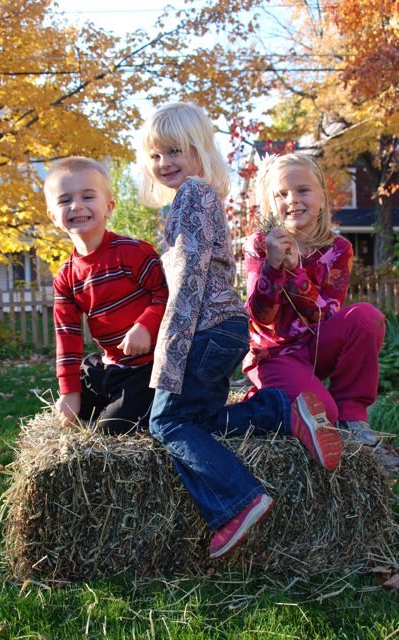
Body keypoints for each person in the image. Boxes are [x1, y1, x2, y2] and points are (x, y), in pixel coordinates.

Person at [138, 102, 343, 560]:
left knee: (165, 421)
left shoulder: (192, 194)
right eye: (155, 154)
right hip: (226, 327)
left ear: (199, 153)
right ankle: (281, 412)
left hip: (203, 327)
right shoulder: (198, 195)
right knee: (201, 423)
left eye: (174, 150)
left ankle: (239, 500)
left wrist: (169, 354)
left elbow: (189, 279)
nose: (164, 162)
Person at [243, 152, 385, 446]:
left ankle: (352, 414)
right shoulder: (259, 244)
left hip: (317, 345)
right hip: (274, 353)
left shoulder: (338, 249)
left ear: (322, 197)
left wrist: (295, 272)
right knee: (323, 415)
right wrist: (273, 264)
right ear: (271, 205)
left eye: (303, 190)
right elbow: (261, 316)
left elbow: (326, 315)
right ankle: (263, 400)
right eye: (281, 194)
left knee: (366, 317)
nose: (292, 200)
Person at [44, 156, 168, 434]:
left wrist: (145, 326)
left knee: (111, 429)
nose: (76, 206)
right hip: (111, 364)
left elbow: (165, 293)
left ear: (108, 207)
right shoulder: (66, 277)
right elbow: (67, 336)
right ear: (53, 216)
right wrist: (69, 392)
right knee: (78, 406)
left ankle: (139, 408)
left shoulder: (132, 252)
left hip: (147, 368)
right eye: (65, 200)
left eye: (88, 196)